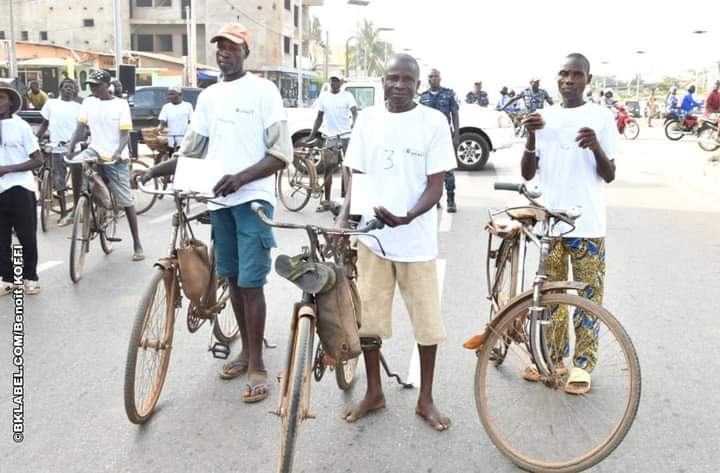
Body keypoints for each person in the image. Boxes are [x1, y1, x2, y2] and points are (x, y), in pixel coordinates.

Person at [140, 23, 292, 403]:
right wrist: (153, 171)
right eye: (219, 47)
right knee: (233, 279)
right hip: (219, 202)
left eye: (232, 47)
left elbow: (280, 154)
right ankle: (243, 350)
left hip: (252, 199)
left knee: (252, 282)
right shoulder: (209, 97)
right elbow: (191, 151)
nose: (224, 53)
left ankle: (257, 361)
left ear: (245, 52)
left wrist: (241, 178)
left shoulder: (264, 91)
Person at [337, 53, 455, 431]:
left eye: (407, 79)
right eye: (393, 78)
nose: (400, 85)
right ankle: (374, 392)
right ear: (382, 81)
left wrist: (408, 216)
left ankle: (426, 398)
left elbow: (435, 187)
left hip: (416, 241)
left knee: (426, 323)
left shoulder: (433, 122)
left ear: (418, 84)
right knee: (369, 320)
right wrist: (344, 222)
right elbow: (355, 176)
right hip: (372, 240)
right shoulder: (368, 119)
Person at [519, 52, 619, 395]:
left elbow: (610, 174)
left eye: (577, 75)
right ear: (556, 78)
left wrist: (595, 147)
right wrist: (531, 137)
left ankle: (583, 365)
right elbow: (528, 172)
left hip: (588, 225)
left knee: (589, 298)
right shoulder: (543, 117)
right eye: (564, 74)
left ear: (587, 80)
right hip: (553, 226)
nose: (569, 80)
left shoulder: (602, 117)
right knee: (553, 299)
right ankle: (555, 360)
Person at [65, 70, 145, 260]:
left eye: (97, 85)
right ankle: (84, 206)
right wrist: (70, 146)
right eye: (90, 86)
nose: (93, 89)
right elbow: (81, 128)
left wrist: (118, 153)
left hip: (115, 156)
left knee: (126, 201)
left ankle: (137, 243)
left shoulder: (120, 104)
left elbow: (125, 134)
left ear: (107, 86)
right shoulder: (88, 102)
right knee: (76, 163)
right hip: (95, 150)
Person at [0, 83, 44, 296]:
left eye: (1, 98)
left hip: (20, 187)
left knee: (26, 235)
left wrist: (9, 169)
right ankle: (7, 278)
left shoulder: (21, 127)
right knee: (1, 237)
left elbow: (38, 160)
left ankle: (30, 277)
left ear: (9, 101)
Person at [306, 73, 358, 212]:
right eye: (332, 80)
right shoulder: (324, 97)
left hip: (346, 136)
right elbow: (319, 117)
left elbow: (354, 112)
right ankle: (327, 201)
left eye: (337, 80)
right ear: (330, 81)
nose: (334, 83)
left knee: (346, 169)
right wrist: (312, 134)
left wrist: (354, 123)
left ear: (341, 82)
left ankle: (343, 200)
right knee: (329, 170)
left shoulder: (347, 96)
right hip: (330, 138)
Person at [36, 78, 82, 222]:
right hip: (56, 147)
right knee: (59, 181)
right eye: (66, 87)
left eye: (71, 87)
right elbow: (44, 124)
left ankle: (77, 210)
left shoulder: (78, 107)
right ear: (60, 89)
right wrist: (37, 138)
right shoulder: (51, 104)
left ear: (74, 90)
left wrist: (77, 141)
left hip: (74, 149)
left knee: (78, 181)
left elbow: (82, 129)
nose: (68, 89)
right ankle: (63, 212)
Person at [419, 69, 459, 213]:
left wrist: (456, 135)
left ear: (440, 78)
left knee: (447, 169)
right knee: (429, 169)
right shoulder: (423, 97)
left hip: (445, 137)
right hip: (427, 138)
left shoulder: (449, 94)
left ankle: (450, 199)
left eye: (435, 76)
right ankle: (433, 200)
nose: (433, 78)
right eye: (430, 76)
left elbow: (454, 114)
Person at [157, 86, 194, 155]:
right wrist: (158, 129)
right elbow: (162, 123)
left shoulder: (188, 106)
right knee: (172, 158)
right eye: (169, 94)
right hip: (172, 139)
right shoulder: (166, 107)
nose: (170, 96)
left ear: (180, 95)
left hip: (184, 138)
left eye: (173, 94)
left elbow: (192, 122)